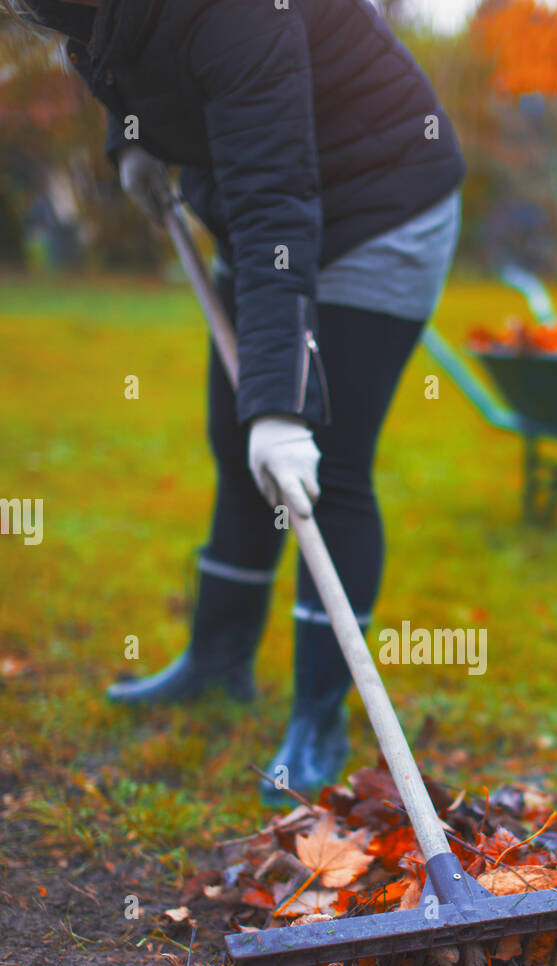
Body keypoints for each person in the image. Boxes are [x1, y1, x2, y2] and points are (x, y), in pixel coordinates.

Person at [10, 0, 465, 800]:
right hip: (260, 198)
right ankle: (218, 661)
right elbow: (123, 55)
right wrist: (135, 140)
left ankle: (319, 716)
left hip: (378, 201)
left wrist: (285, 409)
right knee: (238, 443)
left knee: (328, 460)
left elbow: (272, 204)